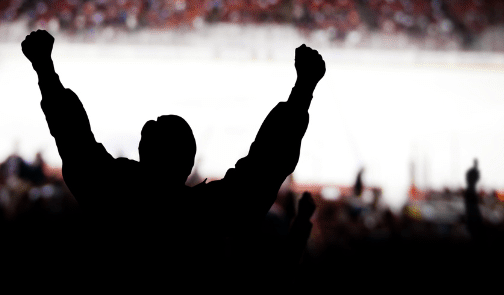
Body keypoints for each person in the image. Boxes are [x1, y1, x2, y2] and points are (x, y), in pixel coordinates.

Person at [20, 29, 326, 279]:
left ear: (142, 153)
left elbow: (74, 141)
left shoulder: (110, 198)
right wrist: (302, 91)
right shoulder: (201, 215)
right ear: (188, 164)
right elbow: (261, 173)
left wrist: (45, 69)